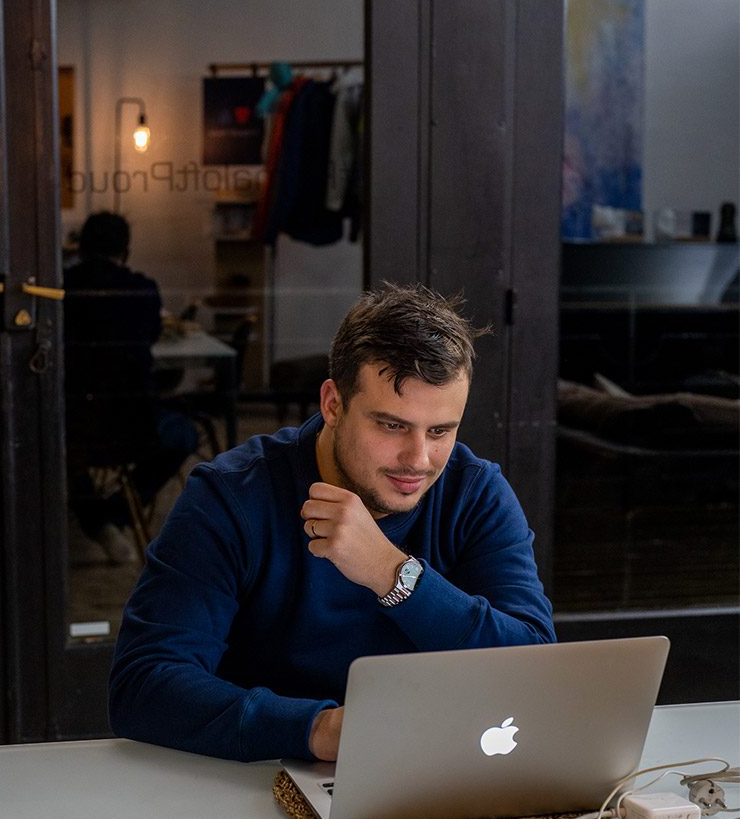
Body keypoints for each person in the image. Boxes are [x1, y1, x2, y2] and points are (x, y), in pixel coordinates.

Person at [109, 283, 555, 761]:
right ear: (333, 405)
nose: (419, 459)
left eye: (440, 431)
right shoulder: (231, 497)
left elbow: (532, 669)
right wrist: (318, 730)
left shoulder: (476, 493)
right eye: (392, 425)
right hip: (257, 782)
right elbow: (143, 685)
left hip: (435, 770)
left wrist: (394, 574)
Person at [64, 212, 198, 564]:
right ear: (125, 250)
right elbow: (151, 337)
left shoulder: (60, 289)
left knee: (61, 450)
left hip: (74, 423)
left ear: (80, 247)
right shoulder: (142, 290)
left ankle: (97, 517)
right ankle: (116, 514)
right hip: (134, 426)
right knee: (184, 434)